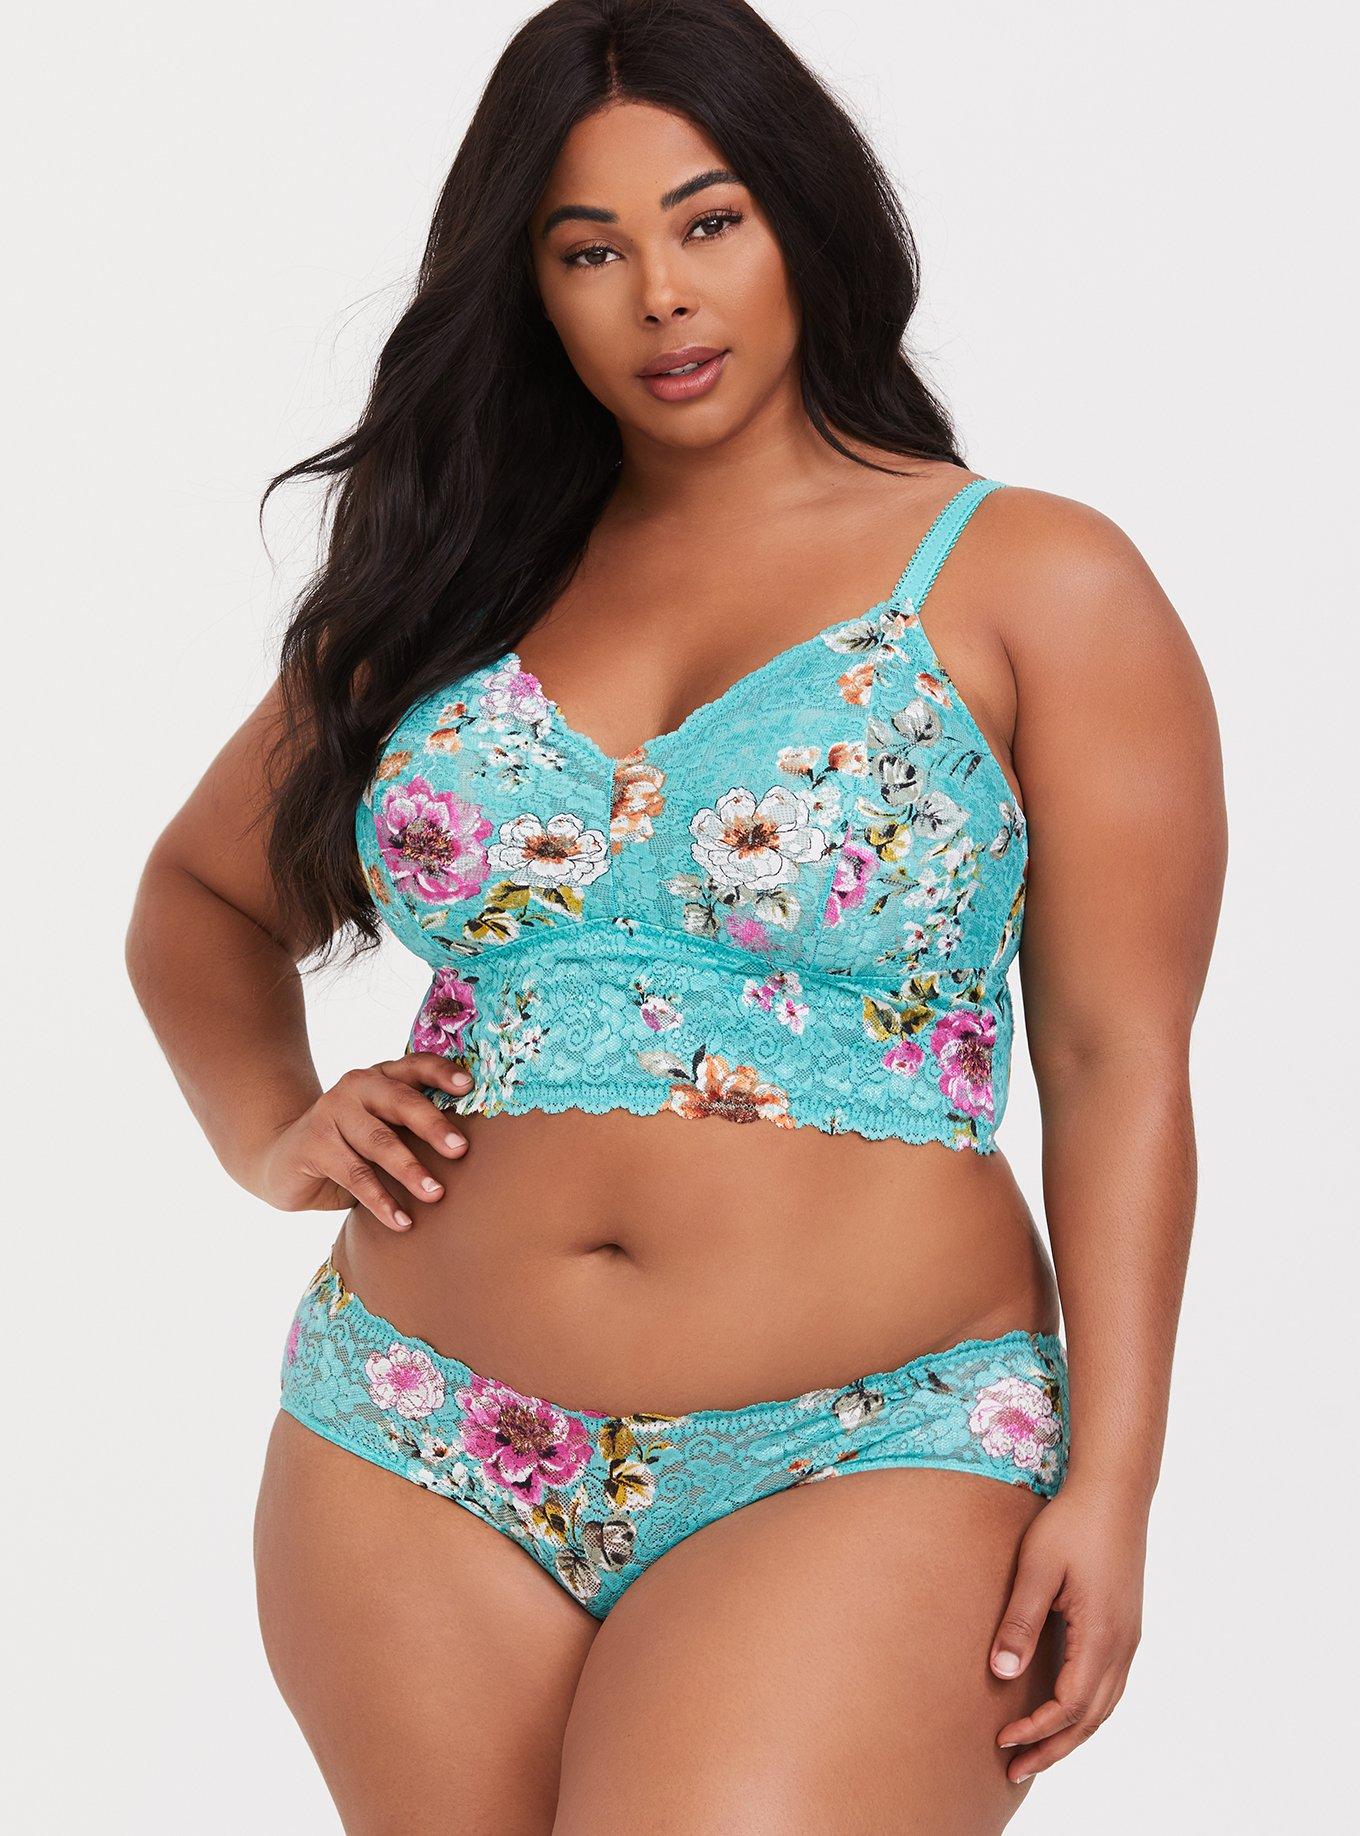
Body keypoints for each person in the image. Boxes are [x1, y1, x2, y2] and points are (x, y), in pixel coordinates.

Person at [124, 2, 1227, 1829]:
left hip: (870, 1445)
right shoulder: (453, 580)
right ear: (531, 288)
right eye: (590, 250)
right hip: (413, 1431)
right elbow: (197, 894)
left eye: (708, 222)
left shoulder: (1036, 579)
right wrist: (268, 1124)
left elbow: (1120, 1059)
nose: (661, 295)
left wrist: (1116, 1485)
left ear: (805, 218)